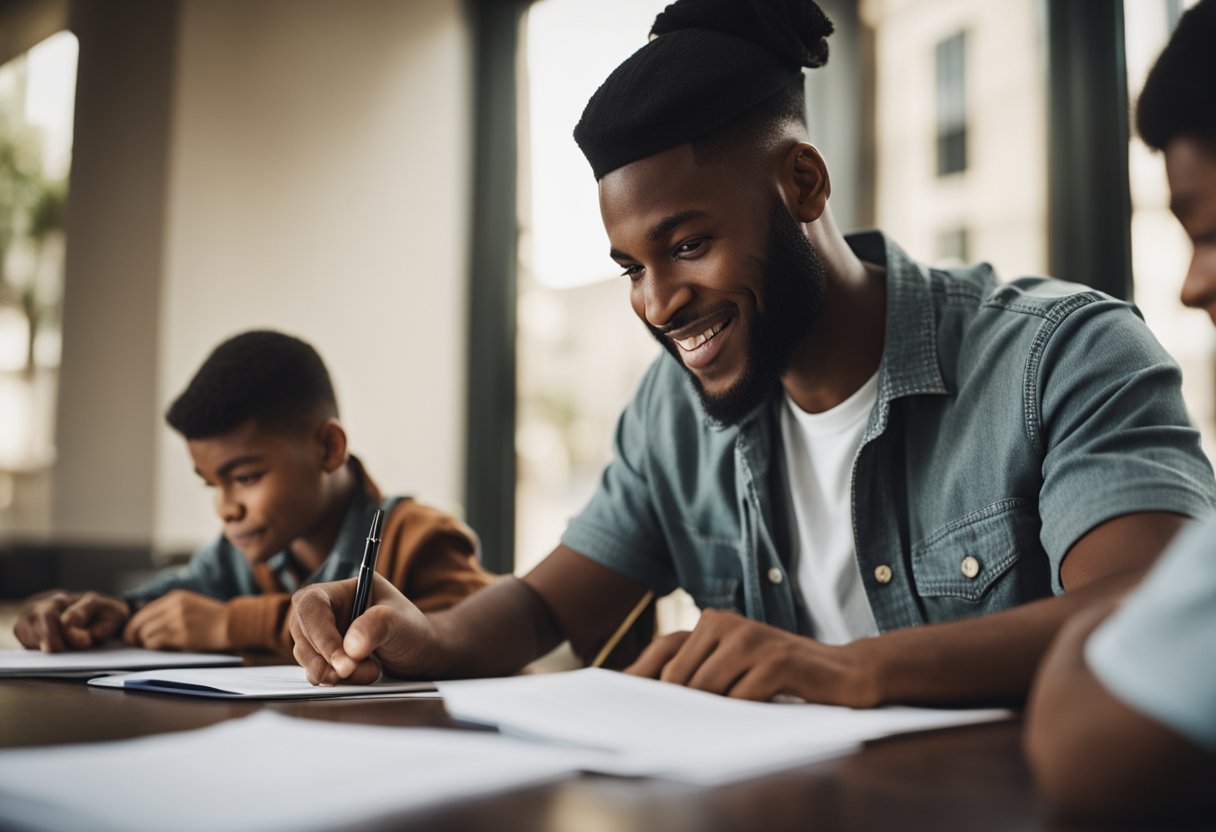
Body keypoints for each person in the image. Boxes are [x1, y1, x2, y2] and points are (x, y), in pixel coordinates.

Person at [289, 0, 1214, 705]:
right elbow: (544, 607)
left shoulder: (1062, 354)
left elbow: (1147, 607)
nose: (657, 303)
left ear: (803, 183)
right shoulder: (672, 406)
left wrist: (850, 670)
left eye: (688, 245)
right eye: (631, 267)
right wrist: (428, 638)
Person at [13, 329, 492, 658]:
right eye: (211, 485)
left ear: (327, 447)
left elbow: (471, 641)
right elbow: (172, 603)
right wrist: (108, 612)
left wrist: (229, 625)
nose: (226, 508)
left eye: (244, 478)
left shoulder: (422, 538)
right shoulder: (237, 555)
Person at [1024, 1, 1216, 820]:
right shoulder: (669, 412)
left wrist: (1091, 628)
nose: (1192, 283)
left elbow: (1086, 748)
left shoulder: (1070, 349)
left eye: (1208, 230)